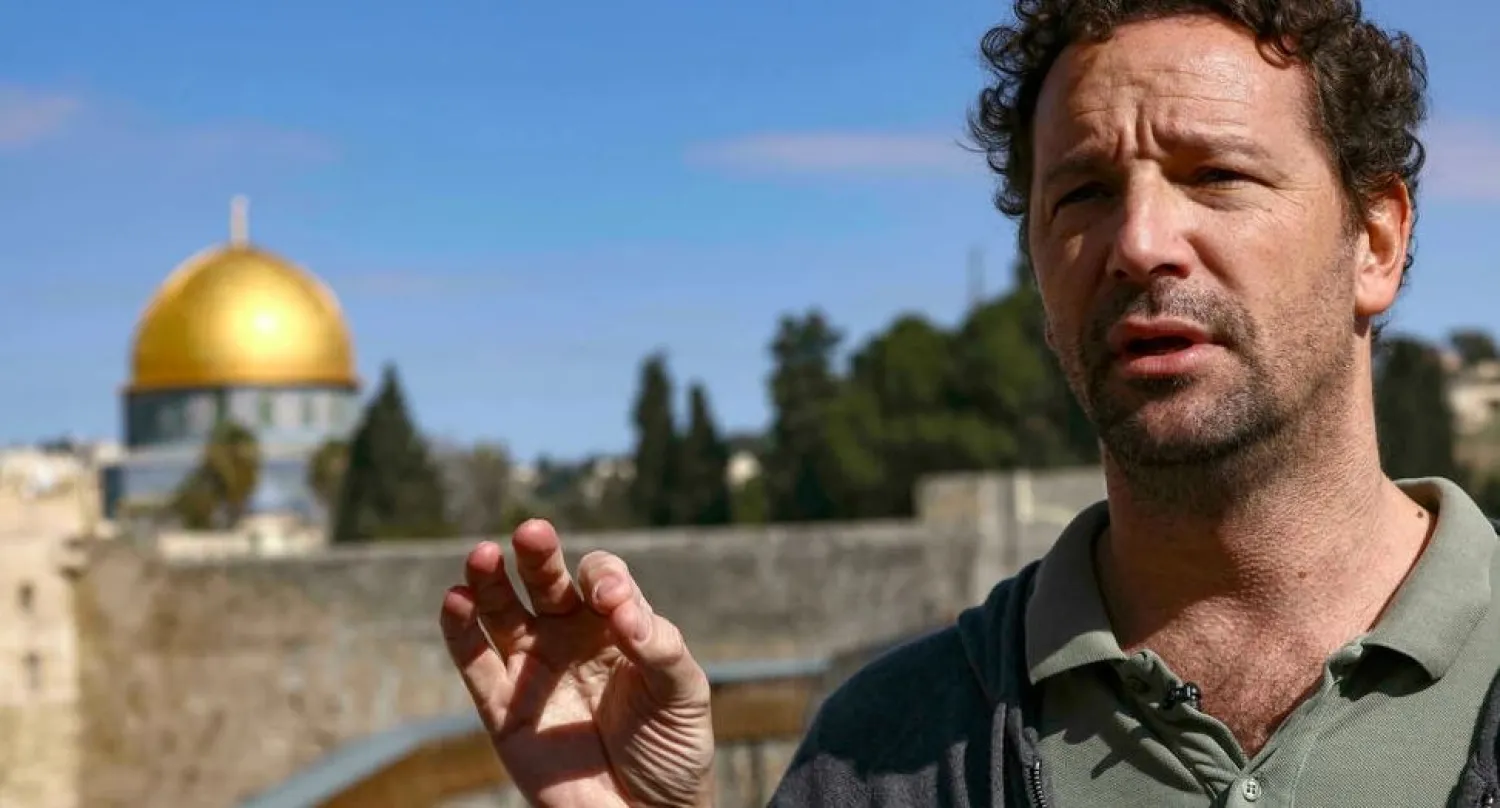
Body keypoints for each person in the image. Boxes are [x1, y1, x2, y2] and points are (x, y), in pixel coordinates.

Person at [438, 0, 1500, 805]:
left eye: (1215, 174)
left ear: (1378, 240)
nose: (1138, 243)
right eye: (1082, 192)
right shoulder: (888, 753)